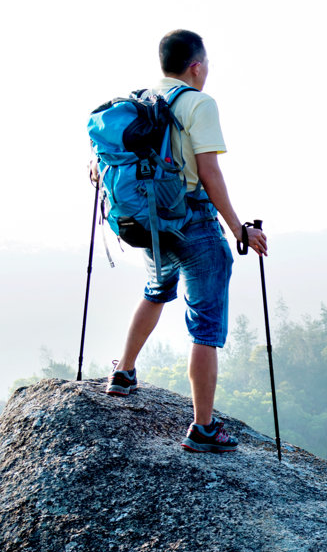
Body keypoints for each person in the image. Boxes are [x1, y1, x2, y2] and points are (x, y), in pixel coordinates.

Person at [103, 29, 266, 453]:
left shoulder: (136, 101)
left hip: (149, 221)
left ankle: (123, 373)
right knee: (206, 325)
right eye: (206, 64)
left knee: (157, 290)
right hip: (191, 219)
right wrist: (238, 229)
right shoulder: (199, 103)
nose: (207, 71)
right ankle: (203, 427)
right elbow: (209, 173)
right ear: (197, 66)